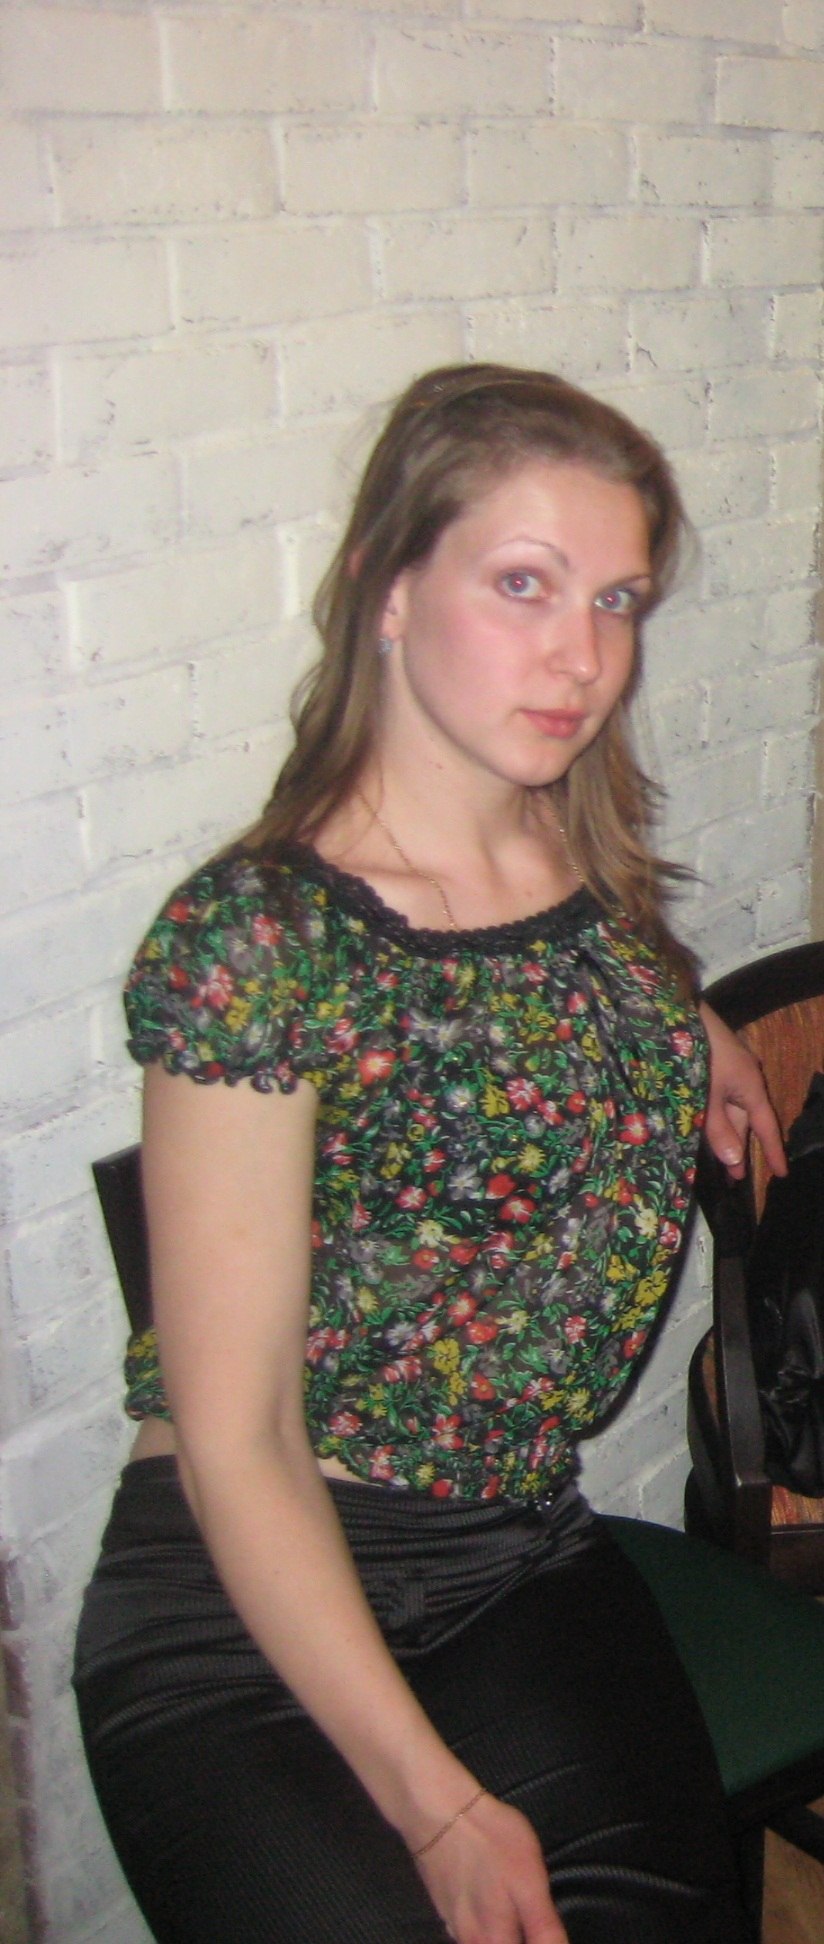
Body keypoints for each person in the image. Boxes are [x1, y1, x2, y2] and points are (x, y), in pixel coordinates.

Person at [74, 364, 784, 1944]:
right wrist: (438, 1805)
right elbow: (238, 1434)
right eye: (523, 583)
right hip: (243, 1596)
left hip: (512, 1549)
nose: (583, 656)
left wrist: (682, 1034)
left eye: (615, 599)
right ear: (384, 590)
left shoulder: (562, 835)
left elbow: (536, 974)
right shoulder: (261, 939)